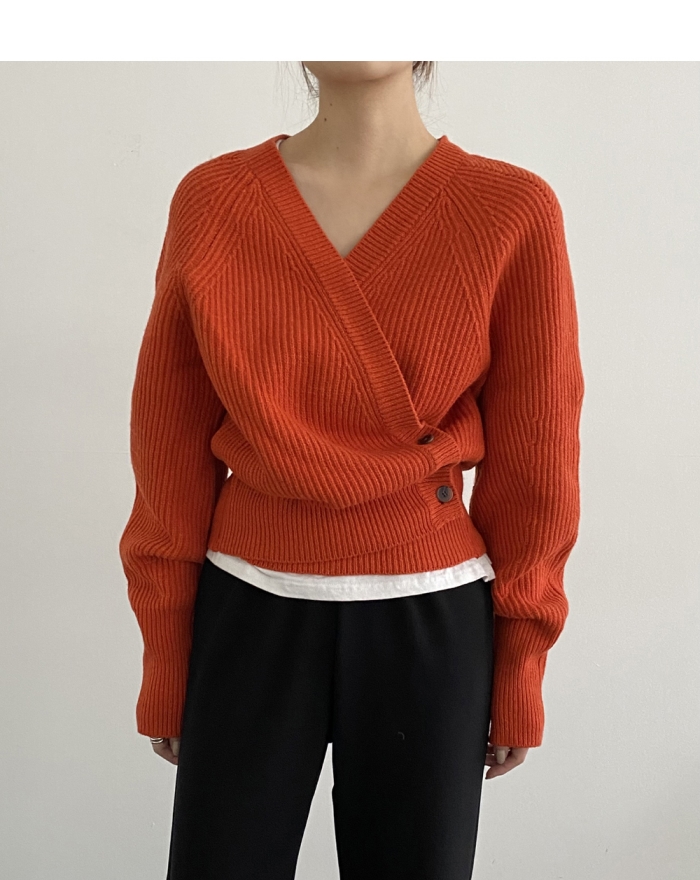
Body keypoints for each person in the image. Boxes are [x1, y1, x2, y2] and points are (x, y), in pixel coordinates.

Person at [120, 57, 584, 880]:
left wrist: (521, 663)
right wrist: (166, 651)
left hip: (432, 618)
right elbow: (168, 444)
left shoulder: (513, 209)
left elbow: (537, 459)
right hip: (246, 608)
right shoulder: (214, 201)